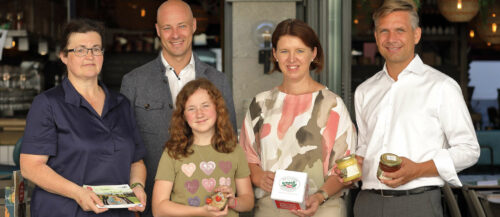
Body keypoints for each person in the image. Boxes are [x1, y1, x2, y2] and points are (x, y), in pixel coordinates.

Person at [353, 1, 480, 216]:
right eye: (384, 31)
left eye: (400, 30)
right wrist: (353, 165)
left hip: (417, 203)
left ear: (416, 34)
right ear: (376, 37)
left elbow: (469, 150)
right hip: (367, 203)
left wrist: (419, 169)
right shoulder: (365, 90)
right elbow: (365, 147)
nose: (391, 39)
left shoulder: (441, 87)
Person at [19, 19, 147, 217]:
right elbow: (30, 167)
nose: (90, 56)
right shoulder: (47, 104)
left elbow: (136, 161)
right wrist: (79, 194)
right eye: (80, 50)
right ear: (63, 56)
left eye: (96, 49)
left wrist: (137, 186)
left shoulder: (121, 104)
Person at [120, 1, 236, 215]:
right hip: (149, 205)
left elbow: (230, 141)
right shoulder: (133, 82)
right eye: (167, 28)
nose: (175, 34)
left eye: (182, 26)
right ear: (157, 30)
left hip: (207, 204)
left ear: (193, 26)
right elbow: (124, 147)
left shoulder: (218, 81)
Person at [239, 19, 357, 217]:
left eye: (300, 51)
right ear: (275, 55)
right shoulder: (259, 105)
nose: (292, 59)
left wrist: (319, 196)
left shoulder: (333, 105)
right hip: (271, 211)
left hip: (323, 209)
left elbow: (349, 169)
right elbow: (244, 159)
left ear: (314, 53)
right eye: (284, 51)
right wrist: (258, 176)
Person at [152, 78, 254, 217]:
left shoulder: (235, 150)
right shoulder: (172, 153)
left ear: (217, 108)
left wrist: (232, 202)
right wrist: (202, 212)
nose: (199, 114)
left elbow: (248, 201)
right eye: (191, 108)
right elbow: (159, 208)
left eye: (205, 106)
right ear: (183, 116)